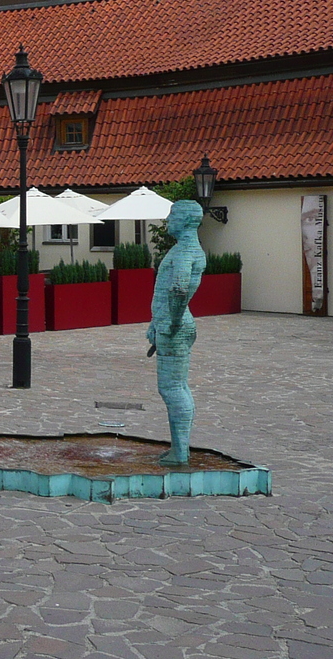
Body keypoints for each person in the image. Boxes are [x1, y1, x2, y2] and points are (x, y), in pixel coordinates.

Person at [147, 200, 207, 466]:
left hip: (176, 325)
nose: (168, 219)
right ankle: (179, 449)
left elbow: (179, 288)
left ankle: (180, 452)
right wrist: (155, 322)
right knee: (177, 386)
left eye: (172, 215)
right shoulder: (189, 249)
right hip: (176, 323)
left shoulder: (184, 251)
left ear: (185, 220)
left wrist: (168, 323)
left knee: (171, 388)